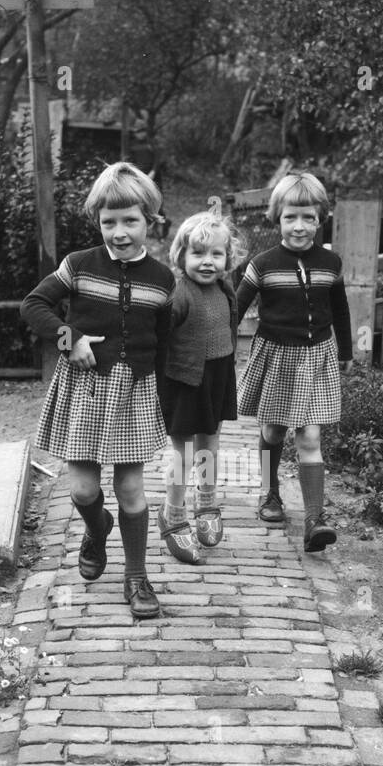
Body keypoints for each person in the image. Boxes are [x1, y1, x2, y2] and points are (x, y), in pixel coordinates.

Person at [20, 162, 174, 619]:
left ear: (150, 220)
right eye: (109, 222)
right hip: (85, 391)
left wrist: (164, 403)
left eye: (130, 221)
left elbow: (162, 345)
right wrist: (71, 340)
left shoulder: (164, 281)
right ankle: (96, 527)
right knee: (86, 491)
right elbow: (34, 305)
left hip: (134, 396)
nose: (120, 232)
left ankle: (136, 577)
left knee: (131, 488)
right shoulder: (79, 266)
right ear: (97, 222)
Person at [235, 171, 353, 552]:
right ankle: (270, 493)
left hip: (317, 358)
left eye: (308, 217)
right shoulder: (263, 264)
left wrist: (347, 352)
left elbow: (341, 310)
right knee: (272, 432)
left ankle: (315, 519)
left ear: (320, 219)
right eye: (291, 217)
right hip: (275, 357)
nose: (299, 226)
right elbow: (235, 309)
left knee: (310, 435)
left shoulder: (330, 264)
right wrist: (218, 351)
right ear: (277, 218)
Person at [155, 212, 247, 563]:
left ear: (228, 258)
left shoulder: (225, 288)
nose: (207, 262)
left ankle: (206, 503)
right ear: (181, 256)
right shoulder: (180, 294)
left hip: (218, 376)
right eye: (198, 254)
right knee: (185, 454)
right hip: (186, 381)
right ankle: (173, 514)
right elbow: (160, 338)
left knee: (210, 445)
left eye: (216, 255)